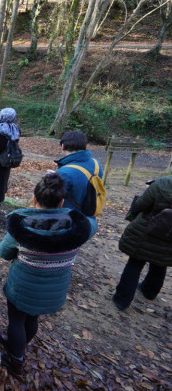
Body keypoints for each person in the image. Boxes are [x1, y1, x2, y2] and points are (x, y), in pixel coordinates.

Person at [0, 173, 91, 376]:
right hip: (54, 288)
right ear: (61, 202)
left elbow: (3, 252)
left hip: (23, 286)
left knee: (16, 320)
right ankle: (18, 346)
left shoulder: (22, 224)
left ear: (34, 199)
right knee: (32, 318)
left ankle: (16, 359)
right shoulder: (76, 227)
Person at [112, 175, 172, 311]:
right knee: (160, 263)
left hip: (148, 230)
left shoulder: (161, 183)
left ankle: (122, 300)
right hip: (169, 237)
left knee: (135, 263)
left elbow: (140, 205)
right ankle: (149, 292)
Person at [55, 130, 103, 237]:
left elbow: (53, 202)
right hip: (90, 221)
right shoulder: (96, 163)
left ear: (63, 146)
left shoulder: (64, 173)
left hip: (70, 224)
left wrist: (52, 179)